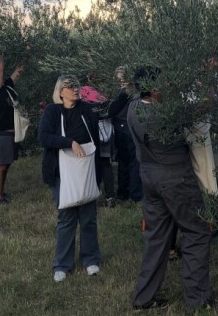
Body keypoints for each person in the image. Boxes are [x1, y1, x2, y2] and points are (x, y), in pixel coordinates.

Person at [128, 67, 212, 311]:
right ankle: (197, 300)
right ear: (154, 90)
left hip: (149, 177)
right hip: (176, 179)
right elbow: (205, 105)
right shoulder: (166, 115)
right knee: (197, 232)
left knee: (156, 238)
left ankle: (144, 298)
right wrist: (209, 77)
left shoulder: (134, 107)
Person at [37, 74, 102, 282]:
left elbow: (103, 120)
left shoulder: (86, 110)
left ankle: (91, 260)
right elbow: (43, 137)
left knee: (89, 217)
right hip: (61, 173)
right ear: (60, 92)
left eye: (76, 86)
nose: (75, 89)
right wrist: (69, 142)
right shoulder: (53, 111)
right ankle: (62, 264)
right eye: (69, 86)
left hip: (85, 171)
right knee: (66, 218)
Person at [0, 55, 25, 205]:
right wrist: (2, 51)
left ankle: (0, 193)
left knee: (6, 165)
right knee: (1, 166)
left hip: (9, 134)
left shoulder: (6, 87)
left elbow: (18, 71)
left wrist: (24, 52)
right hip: (1, 134)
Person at [80, 72, 116, 208]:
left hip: (89, 135)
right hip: (105, 134)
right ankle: (110, 196)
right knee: (106, 165)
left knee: (90, 166)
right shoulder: (104, 94)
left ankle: (93, 196)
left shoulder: (82, 92)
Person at [110, 66, 143, 203]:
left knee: (126, 161)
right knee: (130, 161)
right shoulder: (131, 93)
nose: (121, 82)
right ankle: (131, 194)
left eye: (123, 79)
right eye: (120, 80)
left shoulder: (124, 93)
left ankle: (125, 193)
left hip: (122, 127)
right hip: (124, 128)